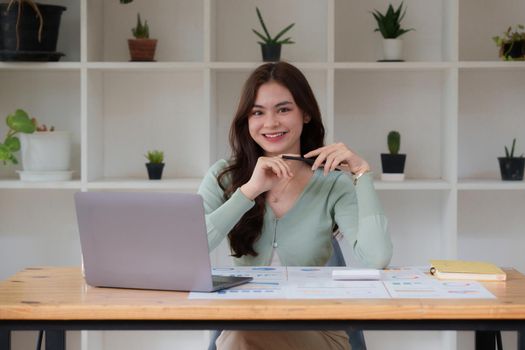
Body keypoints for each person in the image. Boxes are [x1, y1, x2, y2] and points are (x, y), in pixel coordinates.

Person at [197, 61, 393, 350]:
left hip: (318, 331)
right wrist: (249, 191)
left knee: (241, 339)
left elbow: (376, 257)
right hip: (247, 323)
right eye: (258, 112)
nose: (271, 123)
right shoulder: (223, 176)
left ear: (306, 113)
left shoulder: (332, 183)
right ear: (246, 121)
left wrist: (362, 173)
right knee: (242, 336)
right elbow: (189, 248)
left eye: (284, 109)